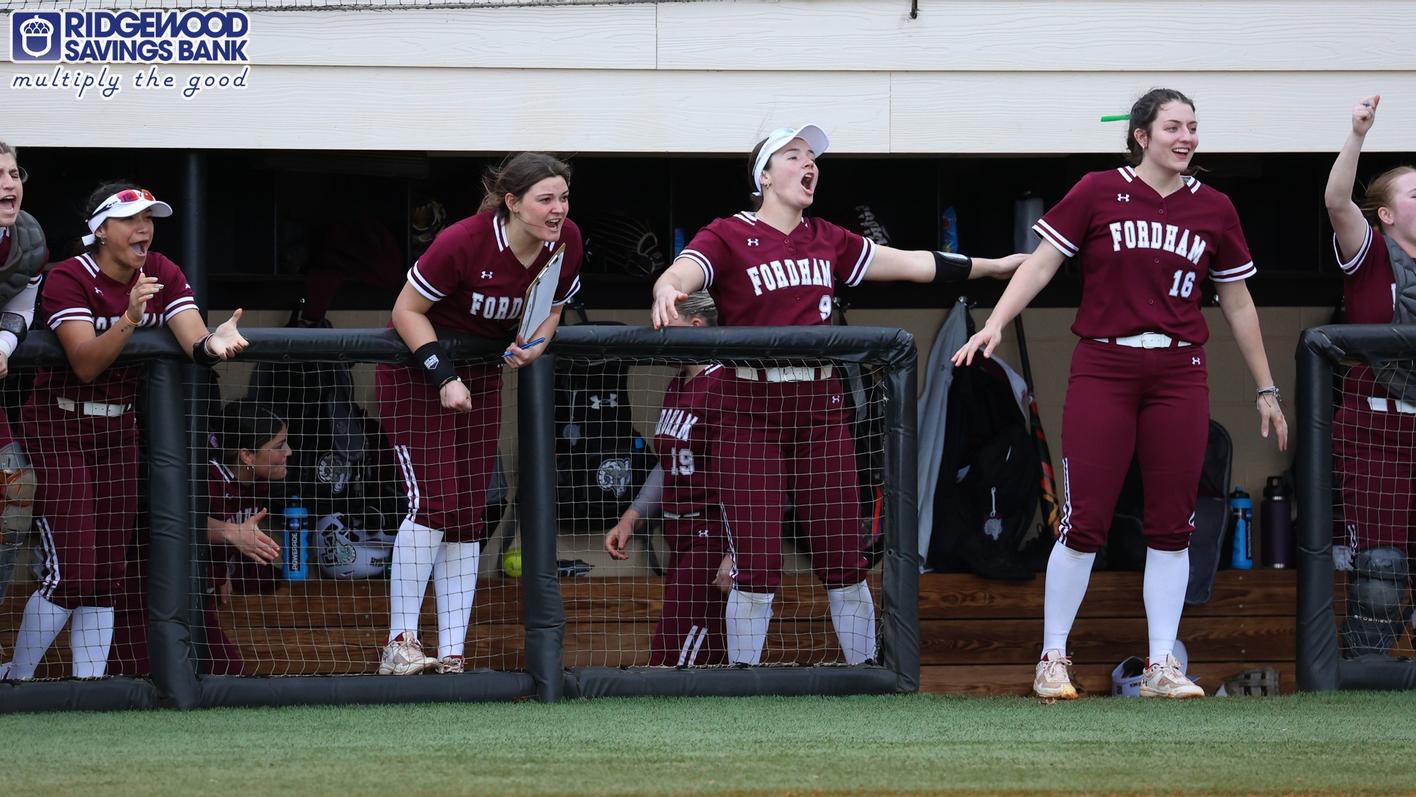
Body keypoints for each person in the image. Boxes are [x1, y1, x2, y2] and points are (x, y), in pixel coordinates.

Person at [953, 88, 1288, 699]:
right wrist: (996, 322)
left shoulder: (1215, 207)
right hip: (1105, 366)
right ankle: (1053, 656)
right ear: (1141, 135)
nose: (1186, 137)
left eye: (1193, 126)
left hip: (1179, 372)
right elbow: (1040, 264)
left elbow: (1237, 301)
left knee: (1172, 524)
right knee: (1084, 522)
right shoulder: (1097, 190)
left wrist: (1266, 388)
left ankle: (1163, 664)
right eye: (1173, 127)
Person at [651, 124, 1023, 667]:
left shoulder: (828, 237)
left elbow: (912, 263)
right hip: (749, 410)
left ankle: (865, 676)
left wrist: (992, 267)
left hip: (820, 409)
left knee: (844, 558)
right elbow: (689, 268)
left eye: (813, 157)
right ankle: (742, 682)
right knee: (755, 563)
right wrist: (667, 284)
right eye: (794, 154)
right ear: (765, 174)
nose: (809, 164)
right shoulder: (729, 233)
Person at [0, 182, 246, 680]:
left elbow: (192, 337)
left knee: (109, 574)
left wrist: (213, 343)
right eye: (132, 219)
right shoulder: (70, 275)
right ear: (101, 230)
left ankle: (91, 689)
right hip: (59, 426)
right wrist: (132, 317)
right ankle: (18, 679)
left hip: (118, 432)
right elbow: (86, 364)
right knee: (75, 571)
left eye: (150, 219)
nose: (145, 229)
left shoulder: (161, 270)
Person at [377, 152, 583, 675]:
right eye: (545, 199)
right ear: (512, 203)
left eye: (563, 197)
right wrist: (443, 376)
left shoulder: (568, 240)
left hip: (484, 377)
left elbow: (554, 305)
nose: (557, 209)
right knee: (435, 503)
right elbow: (405, 310)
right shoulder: (464, 240)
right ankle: (399, 642)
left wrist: (537, 343)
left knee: (470, 511)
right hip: (418, 374)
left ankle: (451, 652)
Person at [1323, 95, 1416, 657]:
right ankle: (1368, 672)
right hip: (1377, 428)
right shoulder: (1372, 251)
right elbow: (1337, 201)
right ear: (1386, 213)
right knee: (1382, 565)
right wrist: (1357, 134)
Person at [108, 401, 287, 676]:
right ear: (247, 456)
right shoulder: (204, 476)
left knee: (228, 672)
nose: (288, 452)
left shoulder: (256, 483)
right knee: (142, 680)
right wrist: (230, 533)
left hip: (193, 604)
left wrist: (222, 570)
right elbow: (172, 519)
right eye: (278, 446)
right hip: (142, 601)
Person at [604, 292, 733, 667]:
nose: (659, 335)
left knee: (675, 651)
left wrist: (736, 550)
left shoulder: (724, 384)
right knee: (683, 642)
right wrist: (631, 517)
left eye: (667, 326)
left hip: (712, 533)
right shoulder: (676, 384)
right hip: (677, 533)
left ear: (695, 326)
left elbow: (747, 475)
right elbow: (669, 462)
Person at [0, 142, 44, 613]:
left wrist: (4, 345)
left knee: (15, 494)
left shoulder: (26, 238)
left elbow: (20, 305)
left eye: (13, 173)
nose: (10, 183)